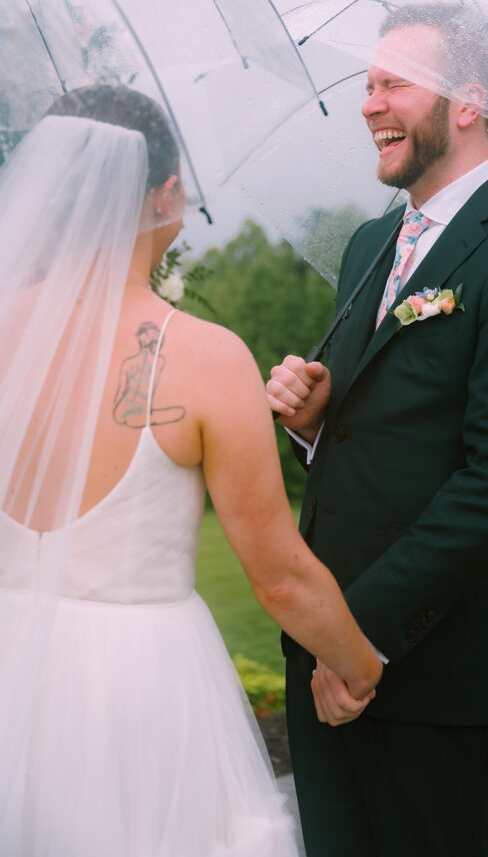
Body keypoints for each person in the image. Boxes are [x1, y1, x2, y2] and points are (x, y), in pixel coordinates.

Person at [0, 84, 382, 856]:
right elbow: (279, 577)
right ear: (165, 193)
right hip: (135, 694)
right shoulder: (206, 357)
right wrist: (358, 663)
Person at [268, 3, 488, 856]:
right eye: (366, 84)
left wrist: (360, 638)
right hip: (325, 655)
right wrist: (310, 421)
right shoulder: (371, 244)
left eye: (393, 83)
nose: (369, 103)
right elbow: (361, 435)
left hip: (437, 670)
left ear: (467, 100)